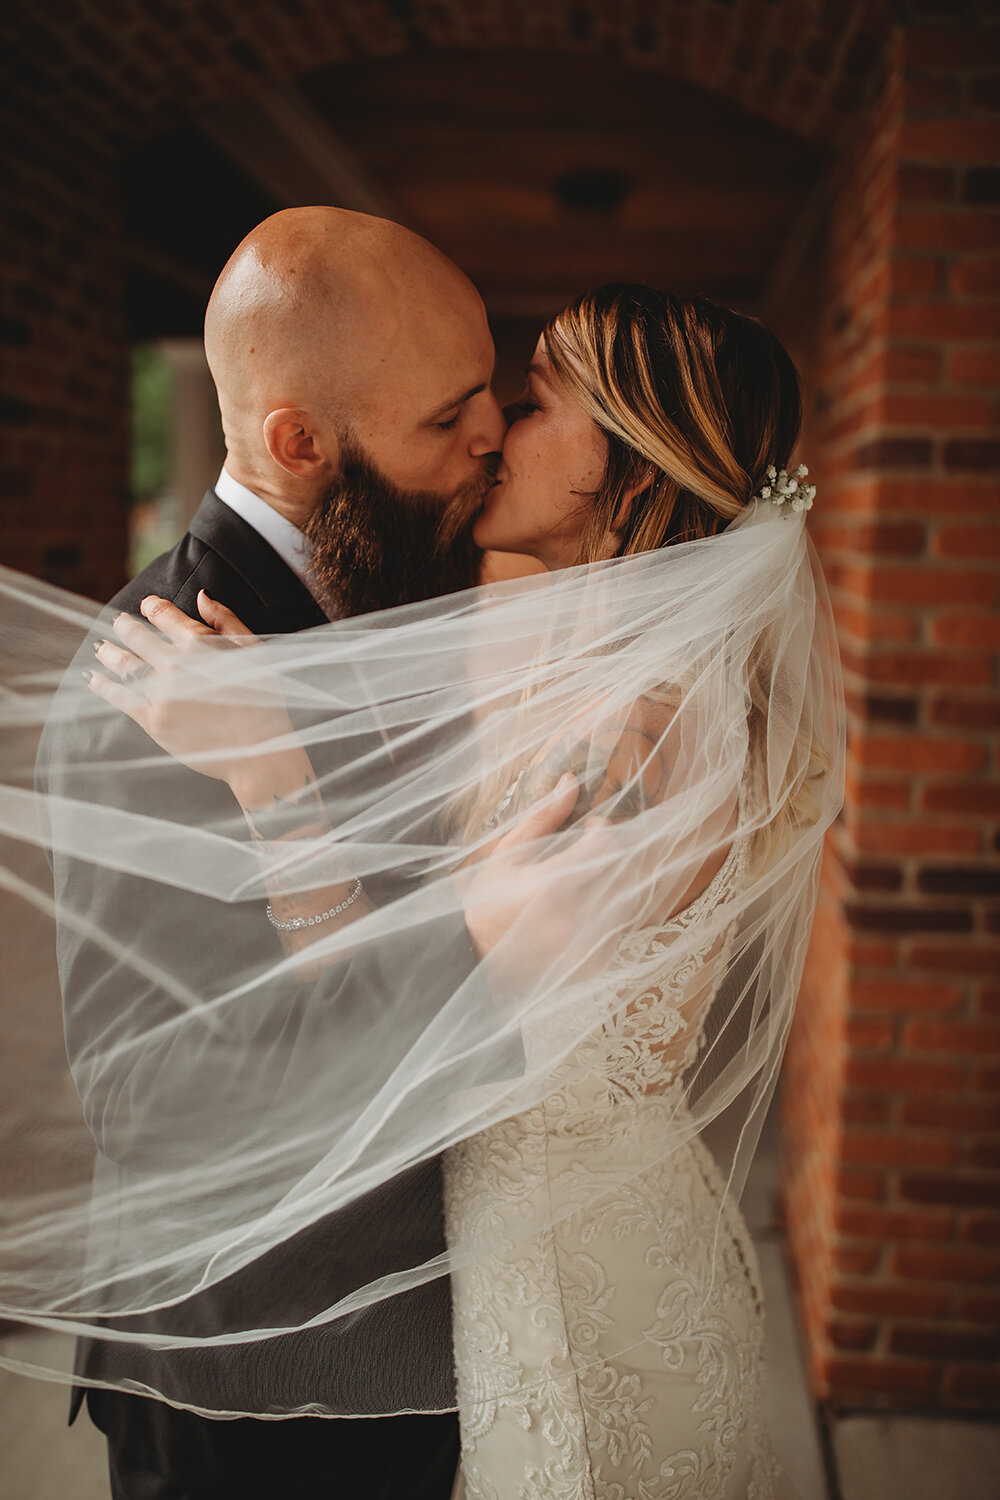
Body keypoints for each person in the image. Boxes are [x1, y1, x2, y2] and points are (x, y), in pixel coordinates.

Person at [84, 284, 843, 1498]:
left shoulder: (630, 748)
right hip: (530, 1236)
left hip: (564, 1264)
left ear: (635, 479)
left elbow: (426, 1016)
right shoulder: (596, 674)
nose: (493, 428)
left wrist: (274, 775)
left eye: (535, 404)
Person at [37, 204, 505, 1500]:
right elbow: (156, 1098)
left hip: (420, 1350)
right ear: (300, 441)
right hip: (260, 1392)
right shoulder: (155, 689)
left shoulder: (404, 567)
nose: (492, 439)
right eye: (447, 416)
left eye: (492, 392)